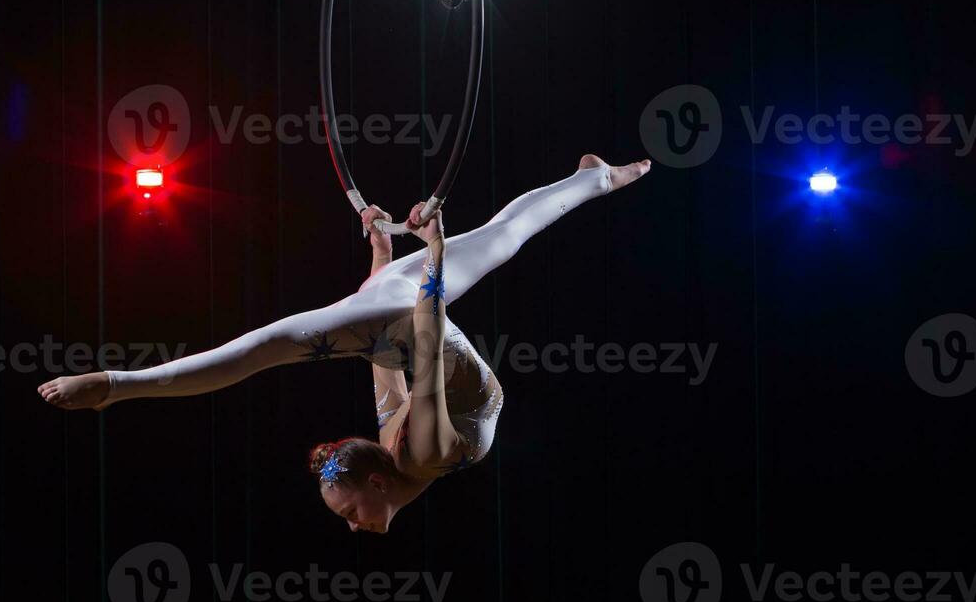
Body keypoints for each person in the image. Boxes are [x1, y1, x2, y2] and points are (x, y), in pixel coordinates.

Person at [38, 154, 651, 533]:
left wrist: (423, 252)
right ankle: (593, 177)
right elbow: (394, 364)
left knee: (253, 352)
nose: (354, 526)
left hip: (408, 310)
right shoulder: (397, 442)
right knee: (504, 235)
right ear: (374, 480)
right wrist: (393, 256)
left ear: (378, 482)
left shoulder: (419, 457)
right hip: (398, 307)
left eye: (348, 514)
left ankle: (116, 386)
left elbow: (421, 345)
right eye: (351, 514)